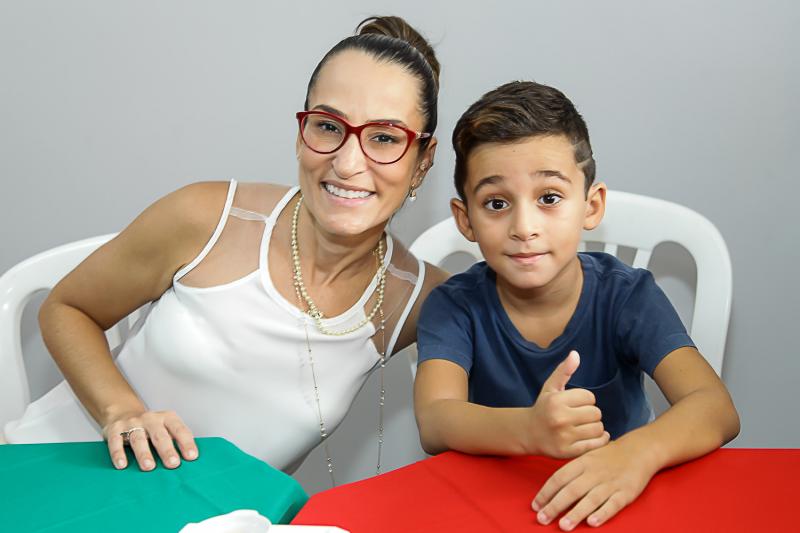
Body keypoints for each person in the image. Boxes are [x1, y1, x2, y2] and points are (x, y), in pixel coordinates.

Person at [4, 16, 447, 482]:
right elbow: (67, 308)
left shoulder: (417, 298)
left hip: (205, 515)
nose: (348, 161)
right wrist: (121, 411)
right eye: (327, 126)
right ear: (301, 135)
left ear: (423, 163)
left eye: (385, 138)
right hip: (49, 474)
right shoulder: (207, 218)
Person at [414, 81, 740, 530]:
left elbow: (715, 407)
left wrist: (635, 455)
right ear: (465, 219)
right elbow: (435, 420)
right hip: (494, 504)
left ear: (591, 205)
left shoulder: (628, 296)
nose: (524, 226)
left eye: (548, 198)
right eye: (496, 203)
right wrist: (529, 430)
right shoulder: (454, 306)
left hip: (618, 498)